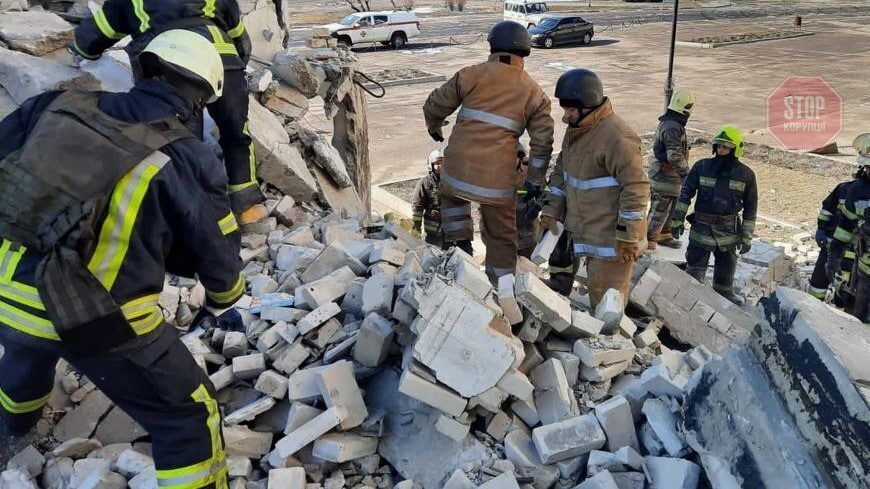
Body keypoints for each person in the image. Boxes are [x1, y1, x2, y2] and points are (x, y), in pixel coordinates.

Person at [0, 31, 244, 487]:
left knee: (26, 349)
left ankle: (12, 428)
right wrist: (225, 298)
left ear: (145, 70)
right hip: (92, 319)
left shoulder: (54, 107)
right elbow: (218, 259)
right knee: (189, 413)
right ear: (202, 99)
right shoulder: (185, 156)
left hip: (6, 290)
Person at [71, 0, 268, 225]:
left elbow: (96, 35)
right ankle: (247, 207)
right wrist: (236, 65)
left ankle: (187, 218)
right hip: (220, 55)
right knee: (235, 131)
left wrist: (81, 49)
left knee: (175, 142)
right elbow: (239, 36)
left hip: (165, 61)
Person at [423, 21, 554, 282]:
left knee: (451, 198)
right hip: (496, 185)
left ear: (492, 46)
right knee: (502, 237)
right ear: (525, 51)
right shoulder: (534, 92)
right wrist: (534, 182)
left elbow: (434, 105)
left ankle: (461, 248)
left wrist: (435, 127)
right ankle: (500, 287)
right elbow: (543, 144)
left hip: (457, 173)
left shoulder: (470, 74)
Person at [540, 69, 648, 307]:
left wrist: (629, 235)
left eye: (570, 110)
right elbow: (561, 173)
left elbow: (636, 188)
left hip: (613, 241)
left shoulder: (618, 138)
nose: (565, 117)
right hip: (585, 228)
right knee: (596, 304)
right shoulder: (578, 129)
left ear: (587, 105)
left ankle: (611, 343)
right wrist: (551, 210)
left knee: (607, 306)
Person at [670, 125, 757, 304]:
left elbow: (750, 208)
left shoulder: (746, 175)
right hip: (701, 228)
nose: (721, 150)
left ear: (735, 149)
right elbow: (686, 193)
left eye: (726, 147)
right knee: (695, 266)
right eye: (718, 146)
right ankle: (690, 298)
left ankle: (724, 294)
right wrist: (677, 219)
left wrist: (747, 237)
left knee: (726, 265)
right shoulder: (702, 167)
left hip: (728, 231)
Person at [827, 133, 870, 320]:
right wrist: (833, 258)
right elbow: (845, 225)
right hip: (864, 272)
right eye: (868, 166)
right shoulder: (857, 190)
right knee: (859, 318)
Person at [646, 89, 695, 250]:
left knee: (669, 207)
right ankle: (648, 242)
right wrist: (686, 174)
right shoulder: (672, 127)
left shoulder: (673, 124)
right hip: (663, 175)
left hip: (670, 176)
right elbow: (674, 155)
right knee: (659, 209)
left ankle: (663, 235)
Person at [807, 170, 863, 300]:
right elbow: (827, 209)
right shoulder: (843, 189)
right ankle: (812, 309)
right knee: (818, 283)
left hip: (853, 254)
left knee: (845, 291)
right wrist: (821, 229)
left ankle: (840, 311)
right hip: (830, 246)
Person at [412, 150, 445, 247]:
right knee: (433, 258)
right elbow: (417, 208)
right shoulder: (424, 183)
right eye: (437, 163)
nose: (440, 166)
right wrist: (416, 229)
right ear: (431, 165)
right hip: (433, 232)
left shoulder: (452, 182)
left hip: (451, 230)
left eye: (443, 163)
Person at [515, 142, 541, 258]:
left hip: (527, 235)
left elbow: (546, 192)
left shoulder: (530, 171)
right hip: (500, 237)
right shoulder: (493, 172)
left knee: (527, 271)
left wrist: (538, 204)